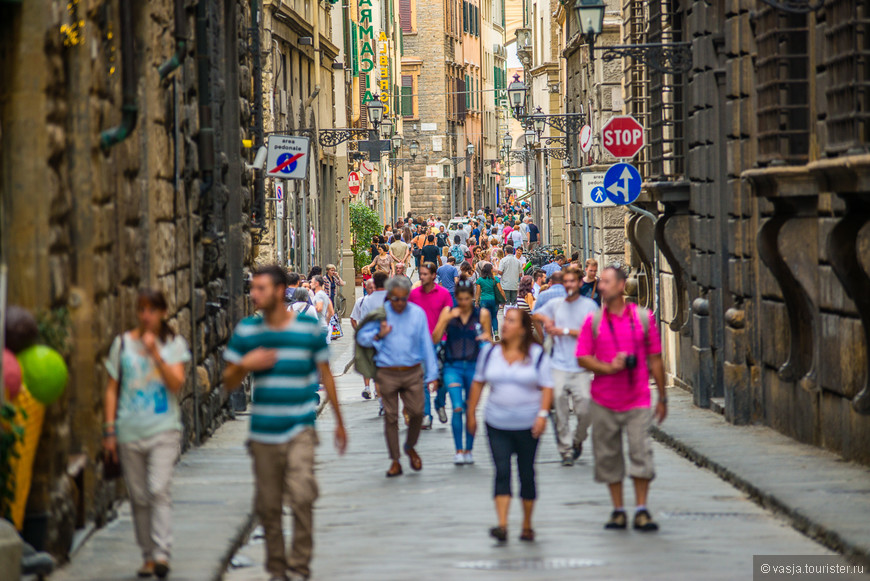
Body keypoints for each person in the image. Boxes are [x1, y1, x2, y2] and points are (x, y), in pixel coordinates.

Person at [223, 265, 347, 581]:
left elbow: (326, 373)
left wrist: (339, 422)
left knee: (303, 495)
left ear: (279, 292)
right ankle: (278, 569)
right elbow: (226, 381)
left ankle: (300, 566)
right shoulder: (248, 330)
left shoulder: (306, 327)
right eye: (252, 288)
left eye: (260, 288)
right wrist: (246, 364)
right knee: (269, 505)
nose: (253, 294)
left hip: (300, 426)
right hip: (264, 432)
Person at [103, 289, 190, 580]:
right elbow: (112, 388)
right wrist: (110, 430)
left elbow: (177, 383)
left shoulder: (173, 344)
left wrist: (155, 354)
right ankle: (148, 556)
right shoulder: (123, 344)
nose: (145, 316)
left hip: (163, 430)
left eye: (151, 310)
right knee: (139, 497)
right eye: (141, 310)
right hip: (129, 431)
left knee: (158, 490)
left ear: (162, 312)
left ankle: (163, 552)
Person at [576, 265, 667, 532]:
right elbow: (582, 357)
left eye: (606, 281)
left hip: (637, 398)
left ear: (621, 286)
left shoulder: (642, 318)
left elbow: (655, 358)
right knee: (608, 456)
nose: (601, 286)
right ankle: (617, 510)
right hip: (603, 400)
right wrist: (608, 368)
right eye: (600, 282)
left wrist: (662, 396)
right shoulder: (593, 321)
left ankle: (641, 509)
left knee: (641, 453)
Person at [466, 308, 554, 543]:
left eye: (511, 321)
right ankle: (502, 525)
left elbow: (547, 386)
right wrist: (471, 413)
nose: (505, 325)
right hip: (497, 423)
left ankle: (526, 525)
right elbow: (478, 383)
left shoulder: (536, 354)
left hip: (528, 425)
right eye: (505, 321)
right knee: (502, 471)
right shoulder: (490, 354)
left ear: (523, 329)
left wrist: (543, 415)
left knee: (526, 473)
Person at [357, 276, 439, 477]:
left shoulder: (417, 314)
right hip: (387, 372)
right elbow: (361, 337)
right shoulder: (381, 315)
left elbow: (426, 343)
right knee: (391, 417)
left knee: (418, 412)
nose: (400, 303)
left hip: (412, 371)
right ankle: (395, 460)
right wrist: (379, 335)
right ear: (390, 297)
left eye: (404, 299)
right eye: (396, 299)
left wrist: (433, 373)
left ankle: (410, 445)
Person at [532, 266, 598, 466]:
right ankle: (566, 450)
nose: (569, 285)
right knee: (560, 410)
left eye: (573, 281)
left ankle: (577, 440)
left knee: (585, 409)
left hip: (581, 365)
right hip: (558, 365)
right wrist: (547, 321)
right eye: (566, 281)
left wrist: (566, 330)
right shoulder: (555, 304)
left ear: (579, 283)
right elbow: (535, 315)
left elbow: (595, 333)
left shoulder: (589, 306)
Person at [431, 280, 491, 465]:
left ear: (472, 297)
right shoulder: (449, 313)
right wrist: (446, 319)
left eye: (468, 299)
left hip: (474, 366)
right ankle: (458, 450)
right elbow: (434, 338)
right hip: (452, 366)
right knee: (457, 406)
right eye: (461, 299)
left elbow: (488, 341)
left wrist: (487, 338)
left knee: (470, 410)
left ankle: (469, 450)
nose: (464, 302)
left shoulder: (482, 314)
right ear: (455, 297)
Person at [409, 262, 455, 428]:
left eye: (426, 274)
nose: (422, 277)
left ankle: (440, 403)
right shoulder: (413, 295)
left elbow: (448, 317)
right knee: (422, 380)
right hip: (420, 344)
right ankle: (426, 415)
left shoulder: (444, 294)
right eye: (421, 274)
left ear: (434, 275)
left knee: (442, 378)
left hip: (440, 342)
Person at [351, 280, 377, 400]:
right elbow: (353, 318)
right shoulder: (360, 301)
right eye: (369, 288)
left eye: (373, 287)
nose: (372, 290)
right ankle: (367, 387)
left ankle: (377, 388)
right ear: (366, 288)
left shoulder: (381, 301)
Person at [475, 263, 506, 340]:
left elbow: (478, 292)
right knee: (494, 317)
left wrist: (476, 302)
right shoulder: (495, 279)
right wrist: (504, 299)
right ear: (490, 270)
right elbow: (500, 290)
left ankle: (490, 334)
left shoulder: (480, 280)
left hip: (484, 301)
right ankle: (496, 333)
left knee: (486, 318)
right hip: (494, 301)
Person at [310, 275, 335, 344]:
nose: (310, 284)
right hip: (323, 326)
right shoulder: (325, 295)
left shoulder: (319, 295)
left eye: (311, 282)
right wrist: (326, 323)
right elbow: (331, 312)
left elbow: (319, 308)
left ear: (317, 283)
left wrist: (309, 309)